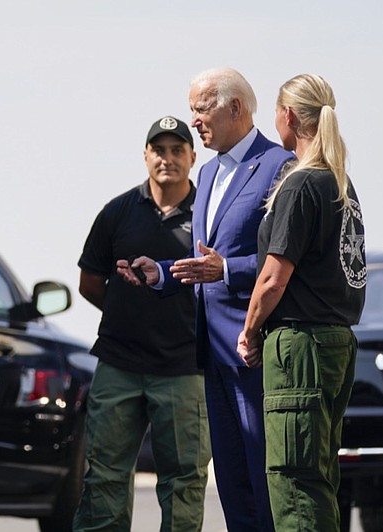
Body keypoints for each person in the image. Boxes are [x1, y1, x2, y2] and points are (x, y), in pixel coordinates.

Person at [118, 68, 295, 531]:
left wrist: (230, 270)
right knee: (233, 484)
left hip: (252, 353)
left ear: (235, 107)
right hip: (212, 357)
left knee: (264, 480)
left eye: (200, 108)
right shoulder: (211, 171)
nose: (193, 119)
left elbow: (294, 263)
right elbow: (204, 263)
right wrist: (161, 276)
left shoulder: (279, 166)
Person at [236, 74, 365, 531]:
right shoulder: (341, 186)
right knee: (319, 477)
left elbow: (272, 278)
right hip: (337, 344)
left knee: (293, 481)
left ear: (288, 116)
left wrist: (250, 331)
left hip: (300, 349)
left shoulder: (301, 185)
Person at [73, 116, 211, 532]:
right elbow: (90, 283)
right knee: (104, 476)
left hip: (184, 368)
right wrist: (128, 312)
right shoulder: (117, 212)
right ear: (146, 155)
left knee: (184, 480)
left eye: (176, 150)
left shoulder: (208, 212)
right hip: (119, 363)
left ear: (192, 156)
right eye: (159, 150)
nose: (167, 158)